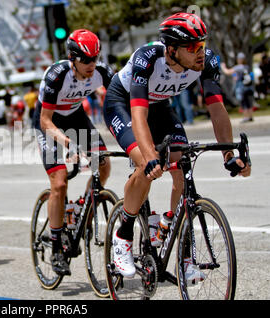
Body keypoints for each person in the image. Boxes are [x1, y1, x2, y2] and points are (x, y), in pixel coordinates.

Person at [103, 13, 251, 280]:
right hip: (124, 104)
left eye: (202, 45)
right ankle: (122, 236)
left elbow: (217, 109)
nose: (200, 53)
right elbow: (138, 116)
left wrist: (228, 154)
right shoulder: (147, 58)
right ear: (171, 50)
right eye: (192, 47)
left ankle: (172, 229)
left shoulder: (207, 62)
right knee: (145, 165)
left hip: (159, 106)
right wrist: (149, 156)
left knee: (181, 167)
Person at [33, 29, 114, 275]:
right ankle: (56, 244)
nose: (92, 65)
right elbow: (46, 121)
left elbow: (119, 103)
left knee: (104, 163)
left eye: (95, 59)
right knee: (59, 182)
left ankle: (84, 212)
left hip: (76, 117)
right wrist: (68, 144)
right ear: (72, 58)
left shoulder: (101, 73)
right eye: (85, 60)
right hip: (49, 121)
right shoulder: (57, 76)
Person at [221, 52, 255, 122]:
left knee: (243, 102)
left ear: (239, 59)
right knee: (249, 102)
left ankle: (245, 117)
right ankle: (250, 117)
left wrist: (223, 67)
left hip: (242, 87)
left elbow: (227, 72)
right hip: (249, 86)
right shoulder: (247, 66)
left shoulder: (238, 67)